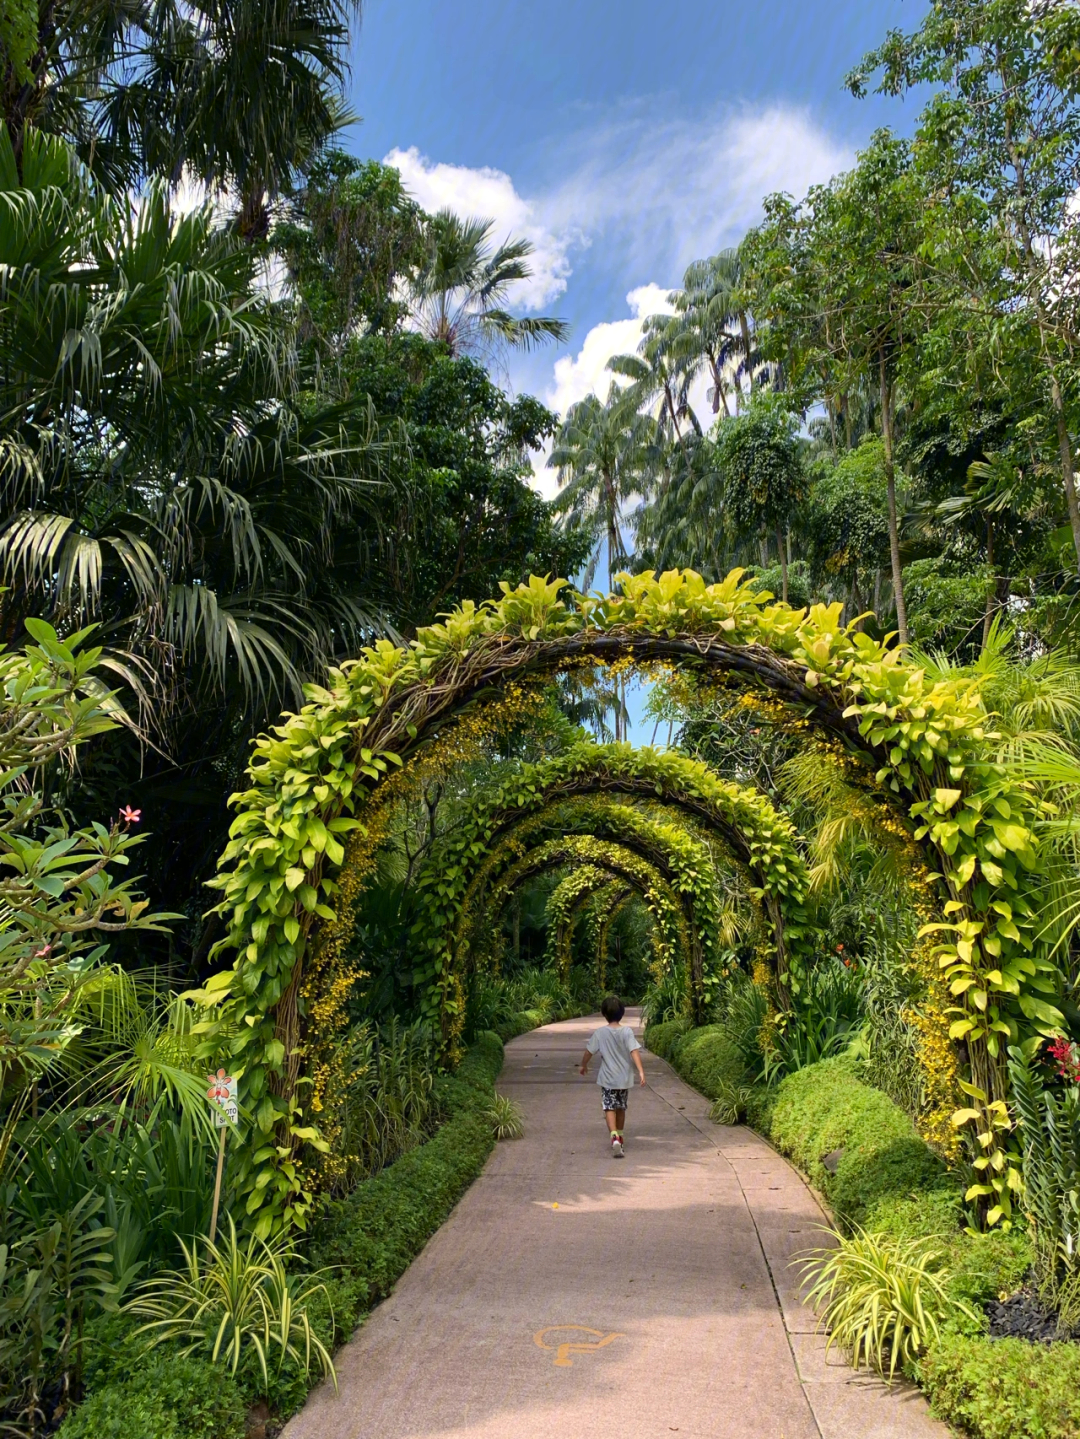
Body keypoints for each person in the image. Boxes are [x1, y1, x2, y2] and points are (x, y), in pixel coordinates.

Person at [579, 993, 645, 1157]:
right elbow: (634, 1051)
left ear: (604, 1014)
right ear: (622, 1013)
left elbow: (589, 1051)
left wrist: (583, 1065)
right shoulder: (627, 1032)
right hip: (624, 1079)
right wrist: (641, 1071)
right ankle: (620, 1138)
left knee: (609, 1107)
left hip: (608, 1079)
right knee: (621, 1107)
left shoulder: (600, 1033)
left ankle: (614, 1136)